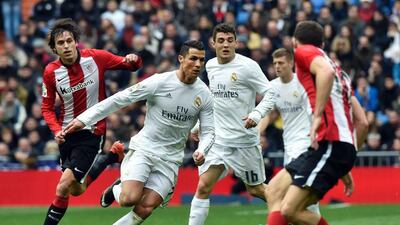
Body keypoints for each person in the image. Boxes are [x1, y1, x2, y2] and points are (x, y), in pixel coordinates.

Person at [63, 40, 215, 225]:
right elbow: (120, 99)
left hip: (171, 158)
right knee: (128, 199)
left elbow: (208, 131)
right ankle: (116, 189)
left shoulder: (204, 94)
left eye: (202, 60)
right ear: (181, 59)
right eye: (193, 59)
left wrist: (202, 150)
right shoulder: (159, 82)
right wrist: (84, 119)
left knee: (145, 208)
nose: (198, 64)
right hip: (145, 148)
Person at [248, 20, 367, 225]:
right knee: (277, 195)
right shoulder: (340, 72)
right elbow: (363, 121)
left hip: (327, 143)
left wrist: (318, 116)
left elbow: (325, 74)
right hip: (331, 147)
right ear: (322, 42)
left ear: (295, 42)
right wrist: (347, 158)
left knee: (289, 208)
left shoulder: (304, 53)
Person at [41, 18, 142, 225]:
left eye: (69, 41)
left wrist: (134, 60)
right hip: (67, 134)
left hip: (92, 131)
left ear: (76, 41)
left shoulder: (96, 58)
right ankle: (110, 158)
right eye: (61, 43)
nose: (66, 46)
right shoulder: (51, 72)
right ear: (54, 48)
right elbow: (47, 107)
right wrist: (55, 130)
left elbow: (129, 65)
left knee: (62, 187)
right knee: (76, 189)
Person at [188, 23, 276, 225]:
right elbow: (215, 99)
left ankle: (288, 211)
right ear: (213, 44)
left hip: (244, 142)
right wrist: (199, 126)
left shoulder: (248, 66)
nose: (225, 44)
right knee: (203, 187)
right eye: (221, 41)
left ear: (236, 43)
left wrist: (257, 112)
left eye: (229, 40)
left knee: (256, 189)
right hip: (219, 140)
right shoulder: (210, 66)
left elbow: (272, 92)